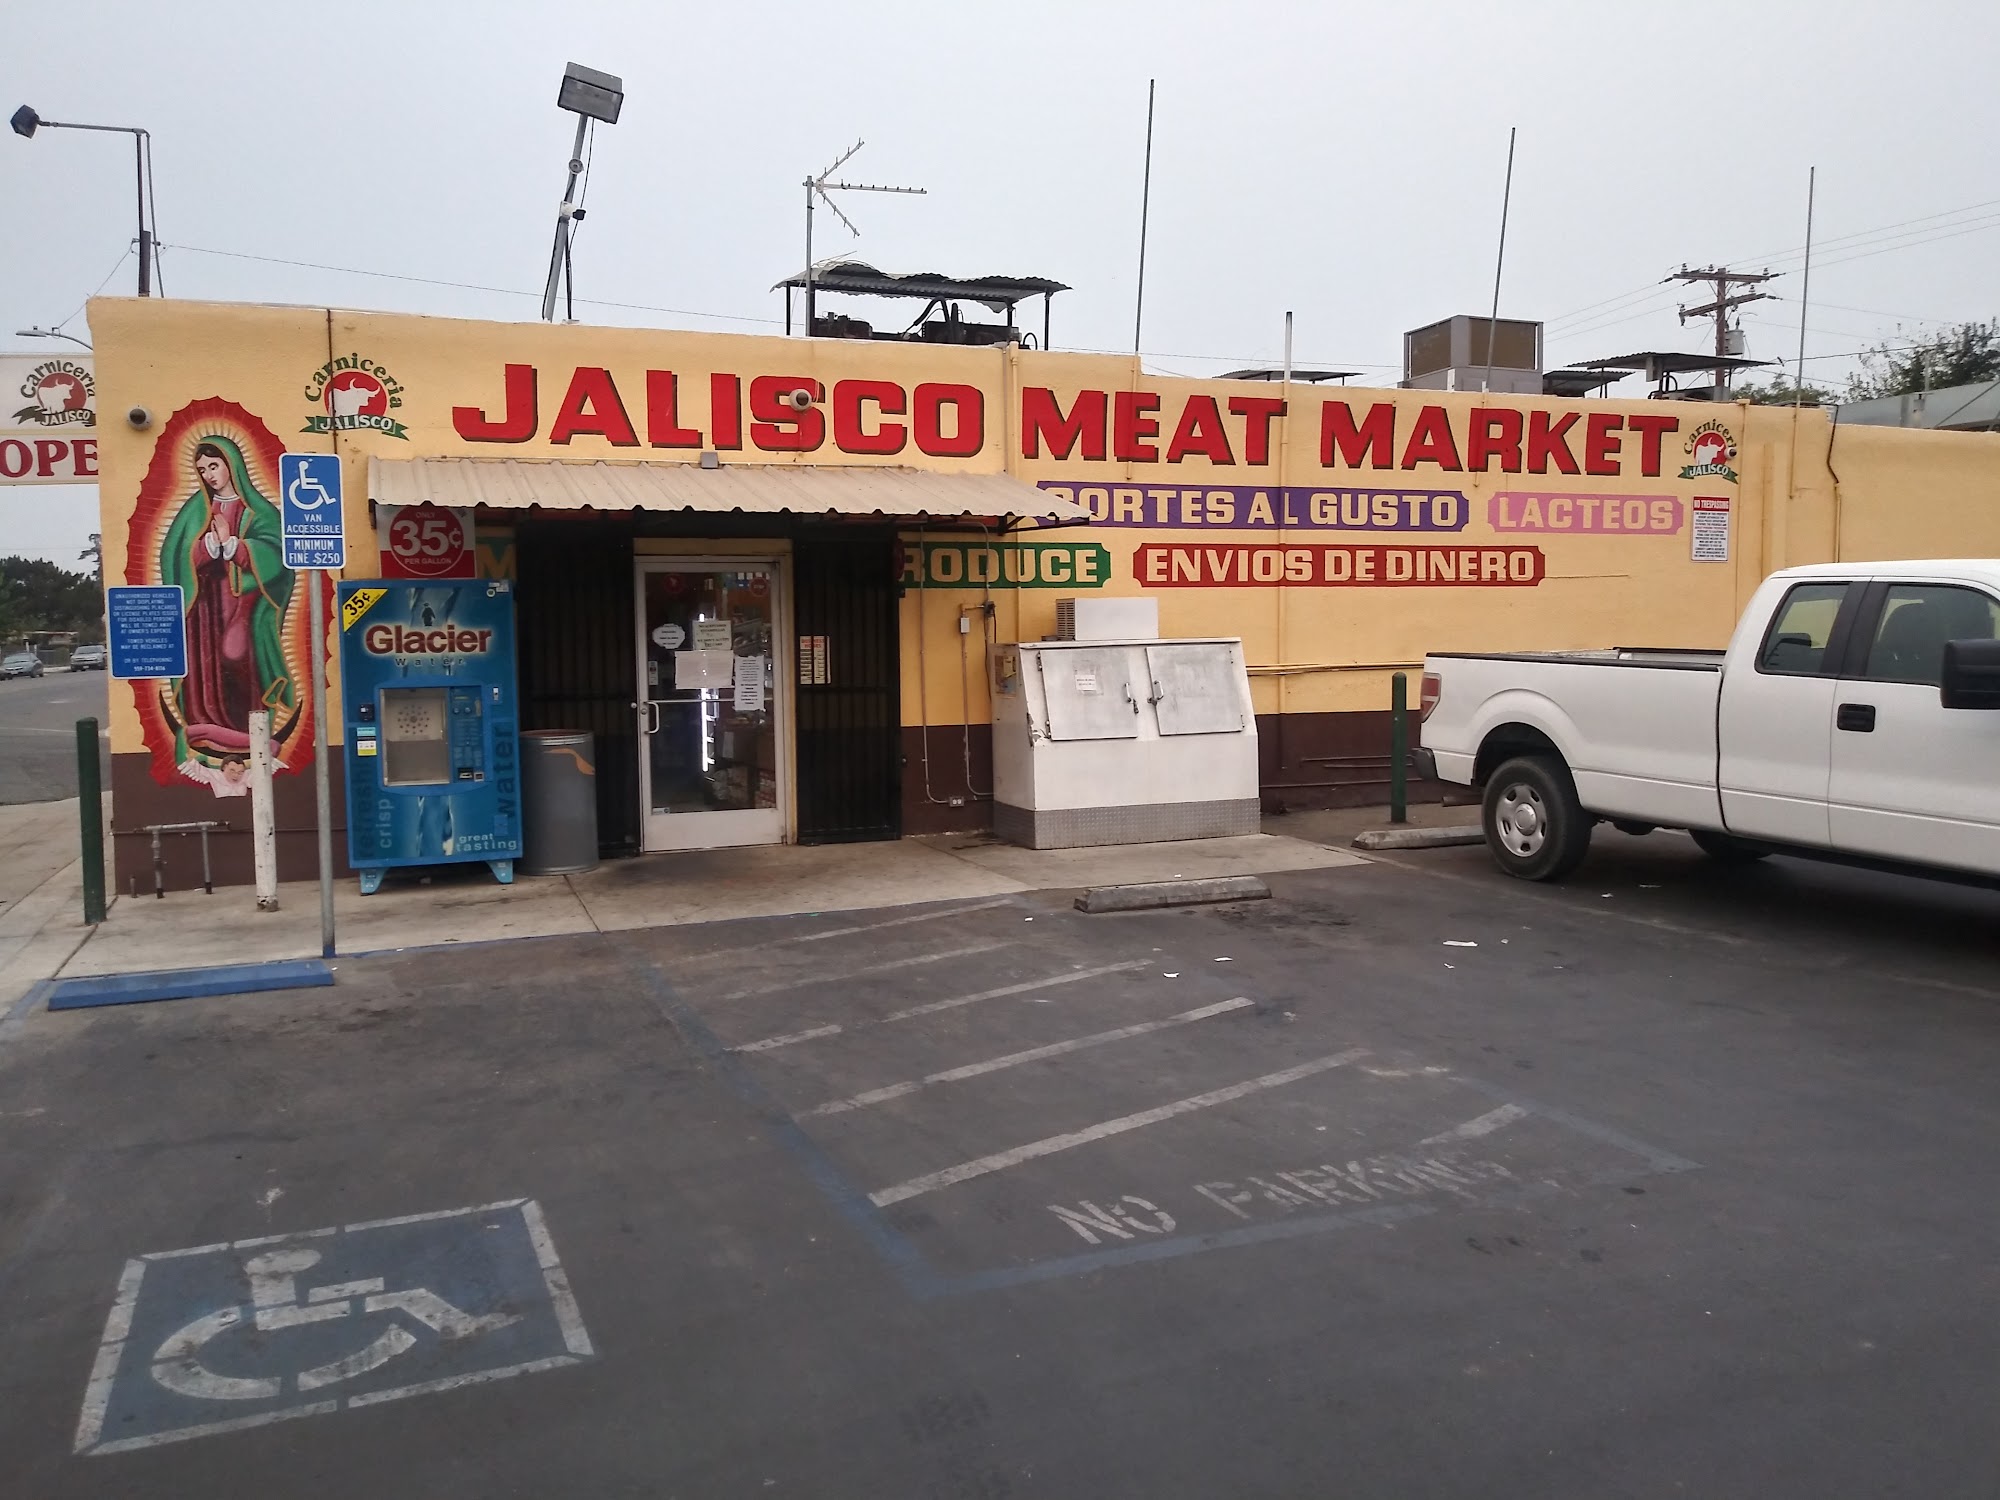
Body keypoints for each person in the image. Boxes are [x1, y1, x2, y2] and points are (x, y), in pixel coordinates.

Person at [157, 437, 296, 786]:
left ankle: (250, 730)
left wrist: (235, 546)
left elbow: (278, 555)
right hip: (205, 608)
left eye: (214, 466)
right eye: (202, 469)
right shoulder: (196, 510)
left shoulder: (260, 511)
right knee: (206, 667)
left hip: (244, 603)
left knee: (237, 655)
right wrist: (206, 546)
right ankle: (211, 730)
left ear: (231, 465)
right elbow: (173, 554)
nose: (209, 475)